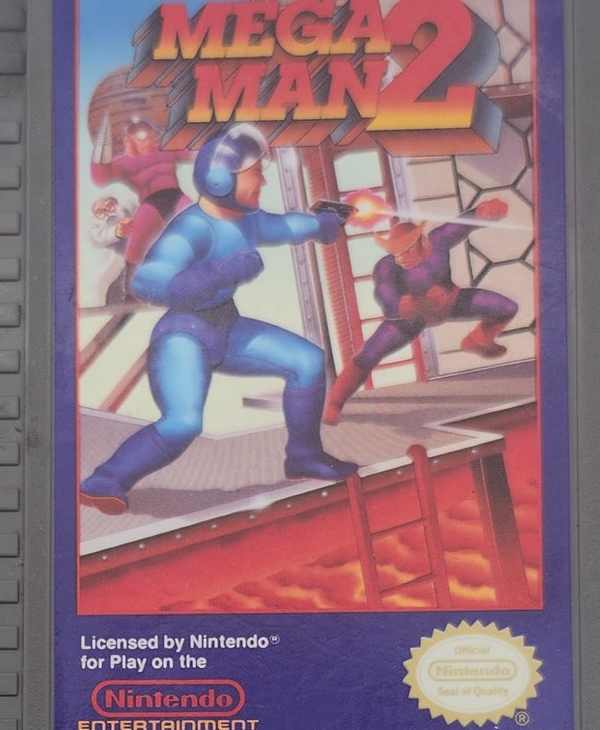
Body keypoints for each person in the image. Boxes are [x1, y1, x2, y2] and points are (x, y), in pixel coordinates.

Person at [79, 124, 357, 514]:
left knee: (307, 362)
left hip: (225, 326)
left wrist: (322, 225)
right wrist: (218, 274)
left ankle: (304, 456)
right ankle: (104, 480)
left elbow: (284, 225)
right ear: (221, 180)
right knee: (182, 422)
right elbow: (148, 281)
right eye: (255, 172)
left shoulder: (247, 219)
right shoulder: (192, 227)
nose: (263, 180)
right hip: (183, 337)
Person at [323, 204, 517, 424]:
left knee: (507, 308)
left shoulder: (438, 241)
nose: (402, 258)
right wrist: (405, 305)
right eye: (396, 253)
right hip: (408, 320)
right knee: (368, 354)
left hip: (449, 302)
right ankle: (334, 403)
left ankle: (479, 339)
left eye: (407, 249)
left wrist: (481, 212)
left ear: (423, 241)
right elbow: (384, 293)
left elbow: (460, 226)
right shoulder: (386, 267)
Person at [89, 117, 190, 281]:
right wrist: (102, 145)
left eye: (151, 137)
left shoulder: (166, 150)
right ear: (130, 141)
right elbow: (100, 177)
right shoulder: (124, 162)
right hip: (152, 204)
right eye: (143, 139)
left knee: (197, 221)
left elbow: (194, 151)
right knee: (135, 244)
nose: (149, 142)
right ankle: (129, 289)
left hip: (177, 196)